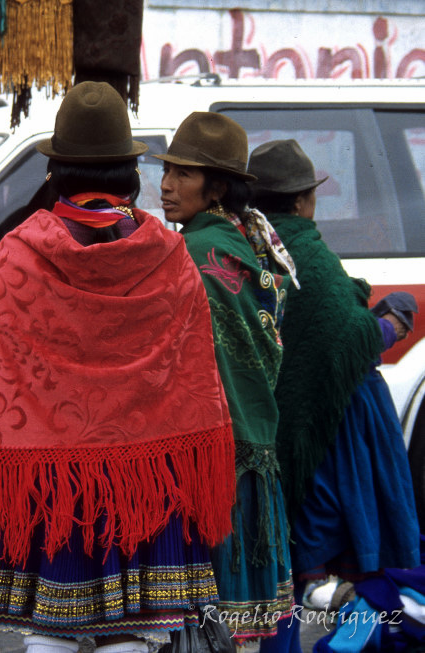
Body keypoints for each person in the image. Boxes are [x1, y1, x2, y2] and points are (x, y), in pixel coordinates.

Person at [0, 82, 238, 653]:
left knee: (52, 631)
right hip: (147, 485)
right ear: (130, 174)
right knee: (135, 632)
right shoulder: (169, 256)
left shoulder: (17, 253)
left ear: (55, 174)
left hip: (50, 488)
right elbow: (195, 376)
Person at [247, 139, 419, 627]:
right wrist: (390, 326)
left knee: (288, 551)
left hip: (279, 417)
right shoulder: (307, 253)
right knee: (332, 518)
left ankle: (318, 588)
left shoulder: (252, 244)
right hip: (329, 422)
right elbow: (347, 336)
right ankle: (338, 600)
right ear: (304, 200)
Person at [155, 113, 298, 647]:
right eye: (166, 171)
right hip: (251, 449)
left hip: (213, 458)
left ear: (216, 187)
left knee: (209, 624)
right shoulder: (245, 240)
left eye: (183, 175)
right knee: (240, 631)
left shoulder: (192, 253)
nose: (166, 186)